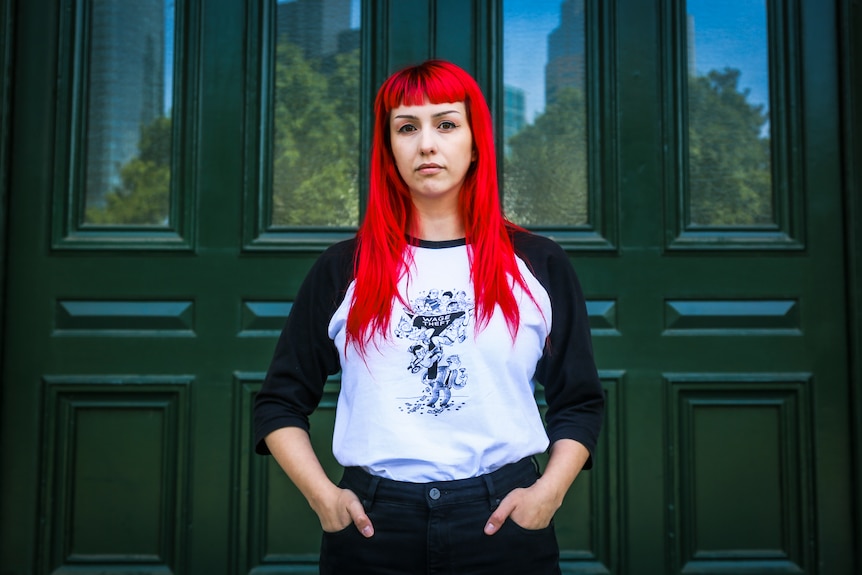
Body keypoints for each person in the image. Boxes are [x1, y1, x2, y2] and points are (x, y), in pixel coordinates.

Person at [254, 59, 604, 575]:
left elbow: (579, 402)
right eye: (407, 127)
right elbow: (279, 403)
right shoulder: (342, 269)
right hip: (375, 528)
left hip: (502, 523)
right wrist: (323, 496)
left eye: (446, 124)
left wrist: (547, 495)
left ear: (474, 139)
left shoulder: (537, 263)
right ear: (389, 146)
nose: (427, 144)